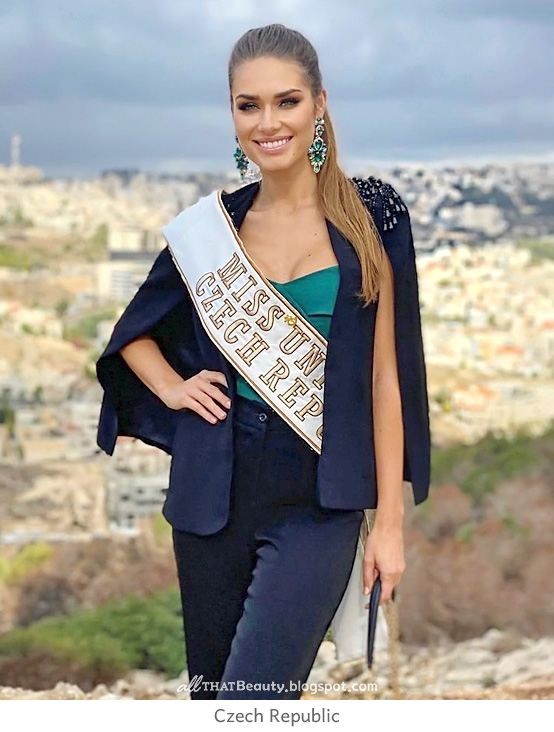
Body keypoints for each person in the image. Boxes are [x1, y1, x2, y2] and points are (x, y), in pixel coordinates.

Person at [95, 23, 431, 700]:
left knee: (254, 699)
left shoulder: (373, 217)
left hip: (320, 502)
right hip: (212, 495)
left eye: (287, 102)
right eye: (248, 105)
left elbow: (386, 380)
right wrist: (174, 388)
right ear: (232, 115)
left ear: (319, 104)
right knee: (212, 699)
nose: (268, 122)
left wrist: (390, 527)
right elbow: (132, 334)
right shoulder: (211, 230)